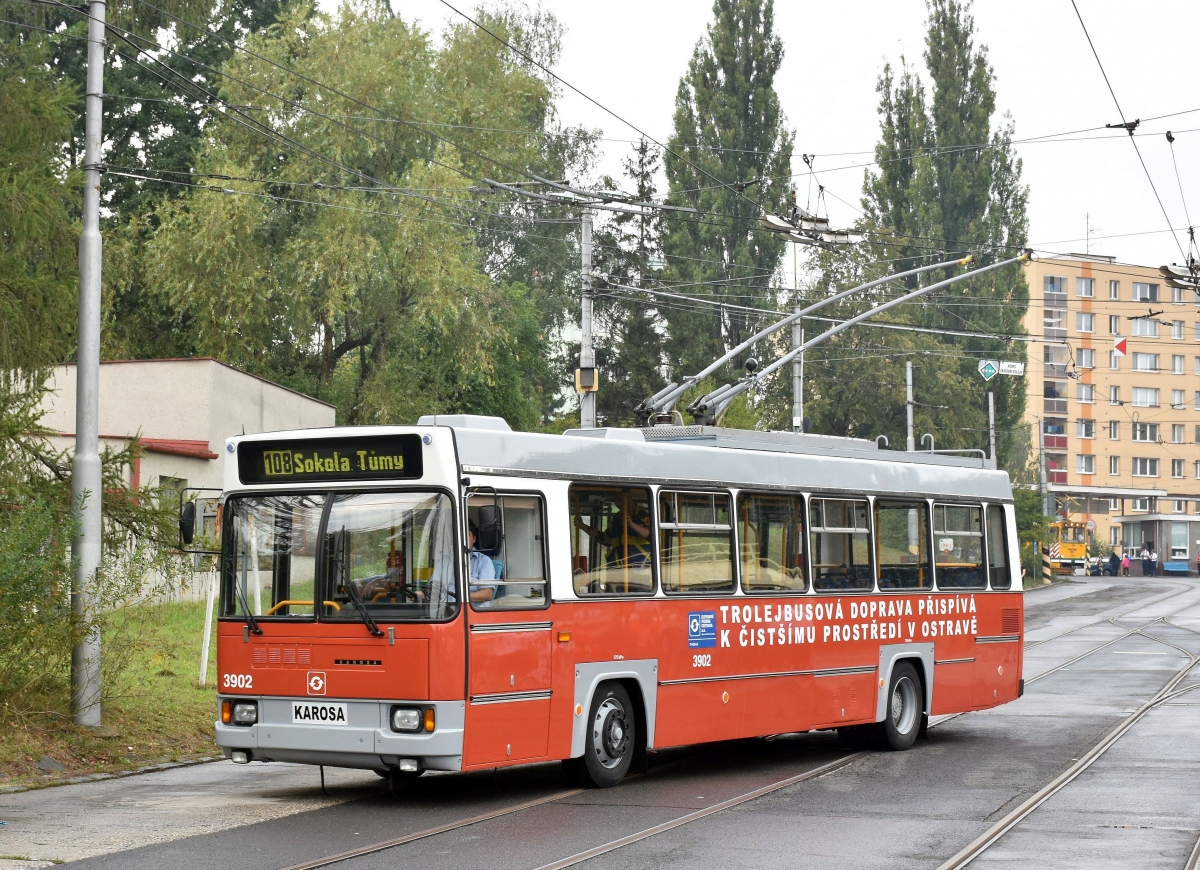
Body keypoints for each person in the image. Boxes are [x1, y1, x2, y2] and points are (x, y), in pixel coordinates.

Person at [467, 522, 497, 603]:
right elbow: (432, 587)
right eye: (458, 535)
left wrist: (461, 597)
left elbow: (487, 593)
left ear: (474, 539)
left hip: (469, 611)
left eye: (467, 535)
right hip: (444, 611)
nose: (462, 539)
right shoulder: (445, 561)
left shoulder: (484, 561)